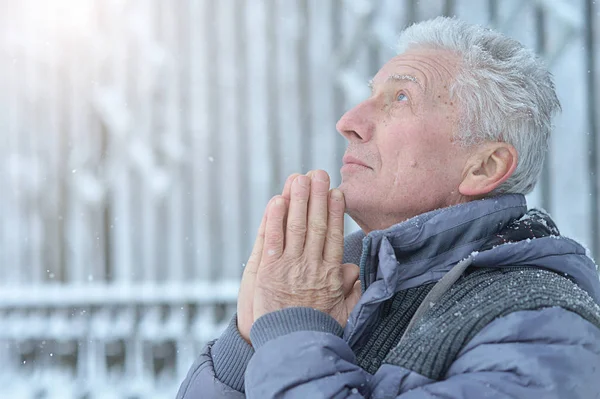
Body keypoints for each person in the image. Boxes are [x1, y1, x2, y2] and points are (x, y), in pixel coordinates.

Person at [177, 16, 600, 398]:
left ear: (485, 166)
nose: (348, 121)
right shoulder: (351, 283)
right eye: (370, 94)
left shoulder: (540, 327)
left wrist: (295, 332)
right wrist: (248, 347)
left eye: (400, 97)